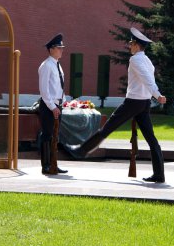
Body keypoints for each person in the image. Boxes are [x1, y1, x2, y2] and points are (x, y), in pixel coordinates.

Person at [65, 27, 167, 183]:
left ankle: (81, 151)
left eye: (131, 43)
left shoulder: (136, 60)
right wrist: (155, 94)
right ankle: (159, 174)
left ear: (137, 45)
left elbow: (147, 79)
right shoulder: (147, 60)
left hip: (133, 102)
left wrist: (157, 94)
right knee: (151, 138)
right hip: (144, 103)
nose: (129, 46)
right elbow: (148, 79)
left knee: (107, 128)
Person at [38, 33, 68, 175]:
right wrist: (52, 107)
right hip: (48, 106)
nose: (61, 50)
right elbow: (44, 90)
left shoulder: (57, 65)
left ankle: (54, 162)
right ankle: (46, 165)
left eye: (62, 48)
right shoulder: (46, 66)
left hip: (57, 105)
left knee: (55, 136)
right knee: (47, 134)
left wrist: (63, 102)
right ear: (51, 49)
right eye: (59, 48)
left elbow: (58, 87)